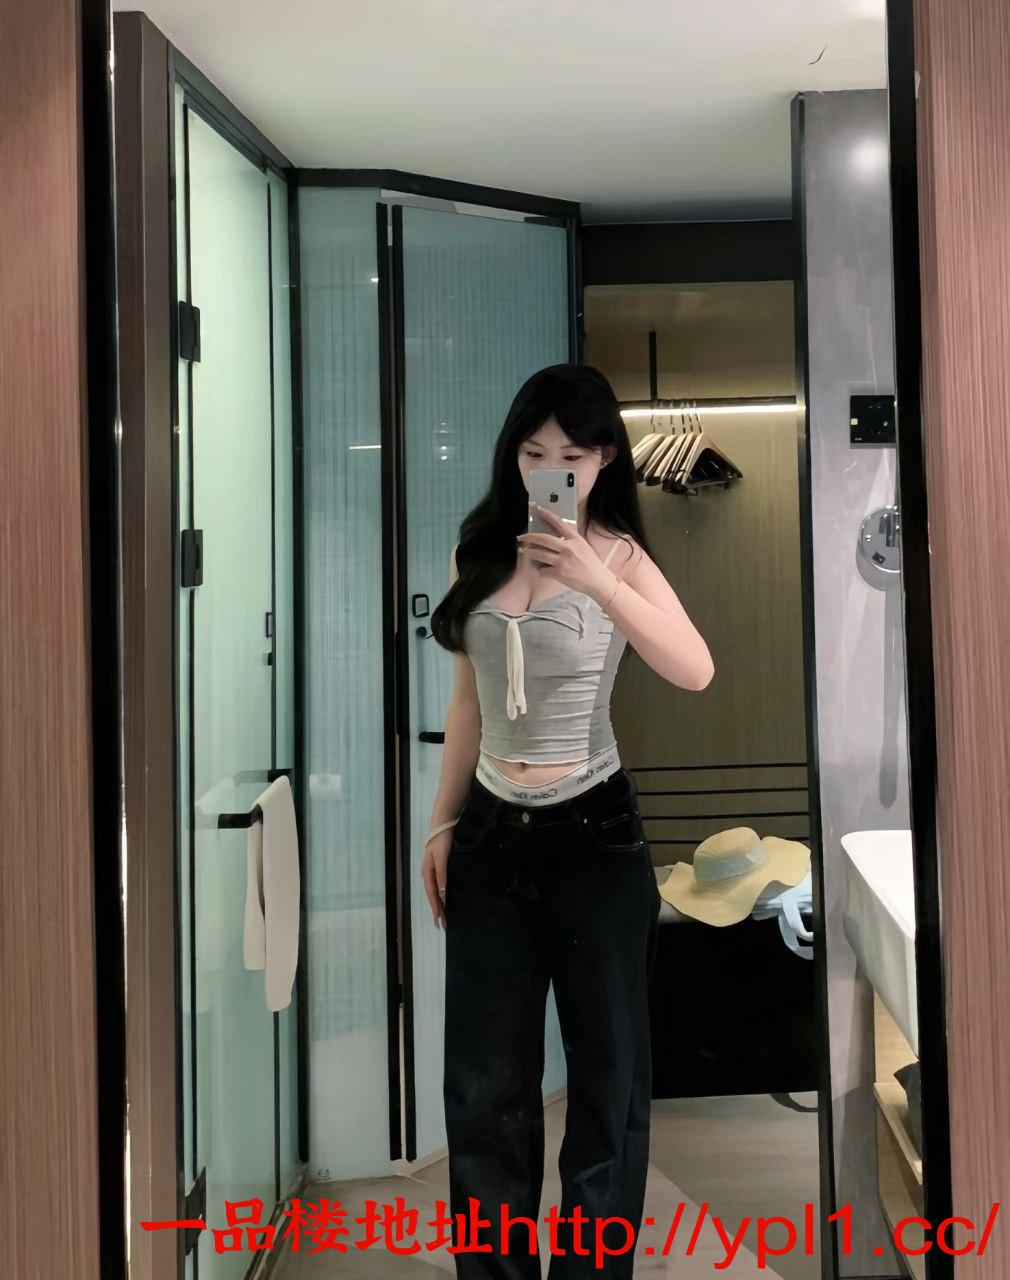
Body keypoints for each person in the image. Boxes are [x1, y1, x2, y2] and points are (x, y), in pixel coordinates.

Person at [424, 364, 714, 1278]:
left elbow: (695, 668)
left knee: (606, 1083)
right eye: (533, 452)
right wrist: (440, 825)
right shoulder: (477, 553)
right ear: (512, 454)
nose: (550, 469)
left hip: (595, 835)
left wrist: (597, 577)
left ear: (605, 461)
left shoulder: (619, 557)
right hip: (489, 837)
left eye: (572, 457)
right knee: (483, 1089)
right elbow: (467, 703)